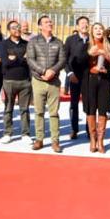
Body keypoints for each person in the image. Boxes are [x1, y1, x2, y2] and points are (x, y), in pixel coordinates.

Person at [26, 16, 66, 152]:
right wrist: (43, 71)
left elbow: (62, 60)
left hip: (54, 82)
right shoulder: (33, 42)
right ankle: (39, 139)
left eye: (50, 22)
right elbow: (30, 60)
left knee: (54, 113)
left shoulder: (59, 42)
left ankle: (55, 141)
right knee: (39, 112)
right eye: (46, 22)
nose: (50, 23)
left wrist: (53, 71)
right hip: (38, 81)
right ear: (40, 26)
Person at [83, 23, 110, 153]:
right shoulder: (87, 45)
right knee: (91, 109)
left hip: (105, 81)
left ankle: (101, 141)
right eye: (95, 28)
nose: (98, 30)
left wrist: (107, 59)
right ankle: (93, 139)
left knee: (103, 110)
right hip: (90, 80)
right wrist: (89, 54)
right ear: (91, 31)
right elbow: (79, 62)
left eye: (100, 28)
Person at [0, 19, 32, 143]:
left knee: (24, 109)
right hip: (9, 80)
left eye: (18, 27)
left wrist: (14, 58)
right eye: (13, 27)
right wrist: (21, 58)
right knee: (8, 108)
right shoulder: (4, 44)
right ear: (9, 30)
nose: (17, 29)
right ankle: (8, 133)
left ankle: (26, 134)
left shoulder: (27, 44)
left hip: (25, 81)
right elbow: (6, 62)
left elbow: (29, 60)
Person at [64, 16, 90, 140]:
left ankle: (89, 130)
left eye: (86, 23)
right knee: (74, 104)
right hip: (74, 77)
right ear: (77, 26)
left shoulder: (93, 40)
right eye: (82, 23)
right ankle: (74, 129)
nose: (84, 25)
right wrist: (70, 74)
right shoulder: (70, 40)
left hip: (89, 77)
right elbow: (64, 59)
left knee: (89, 104)